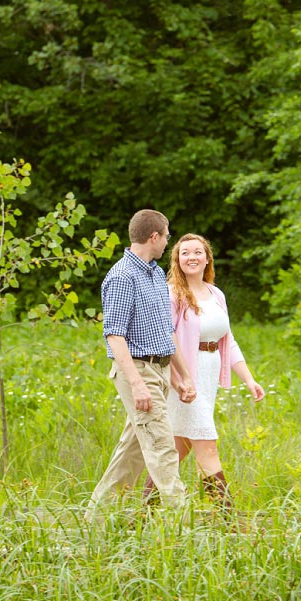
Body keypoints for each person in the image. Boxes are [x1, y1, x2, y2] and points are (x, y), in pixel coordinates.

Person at [143, 233, 264, 515]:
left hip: (208, 376)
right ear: (177, 259)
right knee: (206, 447)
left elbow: (228, 341)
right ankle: (228, 523)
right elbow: (166, 337)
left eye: (197, 252)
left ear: (207, 258)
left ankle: (142, 516)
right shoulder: (172, 293)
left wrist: (249, 379)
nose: (192, 257)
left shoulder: (216, 294)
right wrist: (180, 379)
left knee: (178, 448)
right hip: (185, 377)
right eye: (185, 253)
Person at [87, 210, 197, 516]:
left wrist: (182, 375)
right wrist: (137, 384)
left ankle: (95, 521)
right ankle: (184, 526)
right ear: (154, 237)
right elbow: (114, 336)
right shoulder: (122, 277)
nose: (167, 241)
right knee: (163, 448)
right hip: (138, 372)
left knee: (131, 454)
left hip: (160, 369)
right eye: (167, 235)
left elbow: (166, 330)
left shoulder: (154, 273)